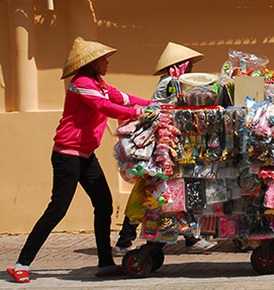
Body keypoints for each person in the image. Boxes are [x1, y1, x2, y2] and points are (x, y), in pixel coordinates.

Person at [6, 37, 156, 283]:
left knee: (104, 204)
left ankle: (105, 264)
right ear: (93, 63)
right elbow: (106, 107)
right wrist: (140, 113)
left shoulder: (100, 84)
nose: (107, 63)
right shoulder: (81, 83)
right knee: (57, 210)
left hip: (85, 155)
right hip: (68, 155)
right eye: (103, 60)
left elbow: (123, 98)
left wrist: (153, 104)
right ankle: (21, 263)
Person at [113, 42, 217, 255]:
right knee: (157, 190)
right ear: (182, 65)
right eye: (189, 66)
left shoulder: (171, 81)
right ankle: (185, 239)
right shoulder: (172, 83)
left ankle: (184, 238)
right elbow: (177, 107)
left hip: (165, 143)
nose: (191, 70)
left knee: (161, 190)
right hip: (162, 146)